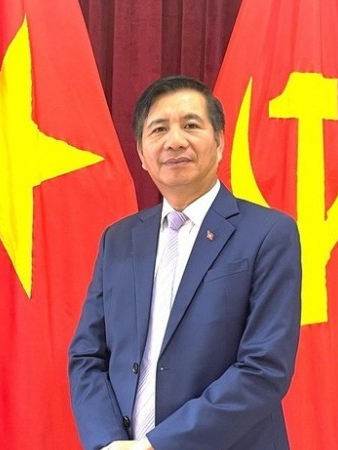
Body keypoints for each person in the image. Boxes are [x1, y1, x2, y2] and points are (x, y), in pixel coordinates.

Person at [68, 76, 302, 450]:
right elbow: (88, 357)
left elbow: (263, 369)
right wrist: (109, 442)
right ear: (141, 153)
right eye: (158, 129)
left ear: (220, 142)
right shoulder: (119, 240)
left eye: (191, 125)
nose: (175, 141)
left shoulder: (269, 233)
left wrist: (157, 445)